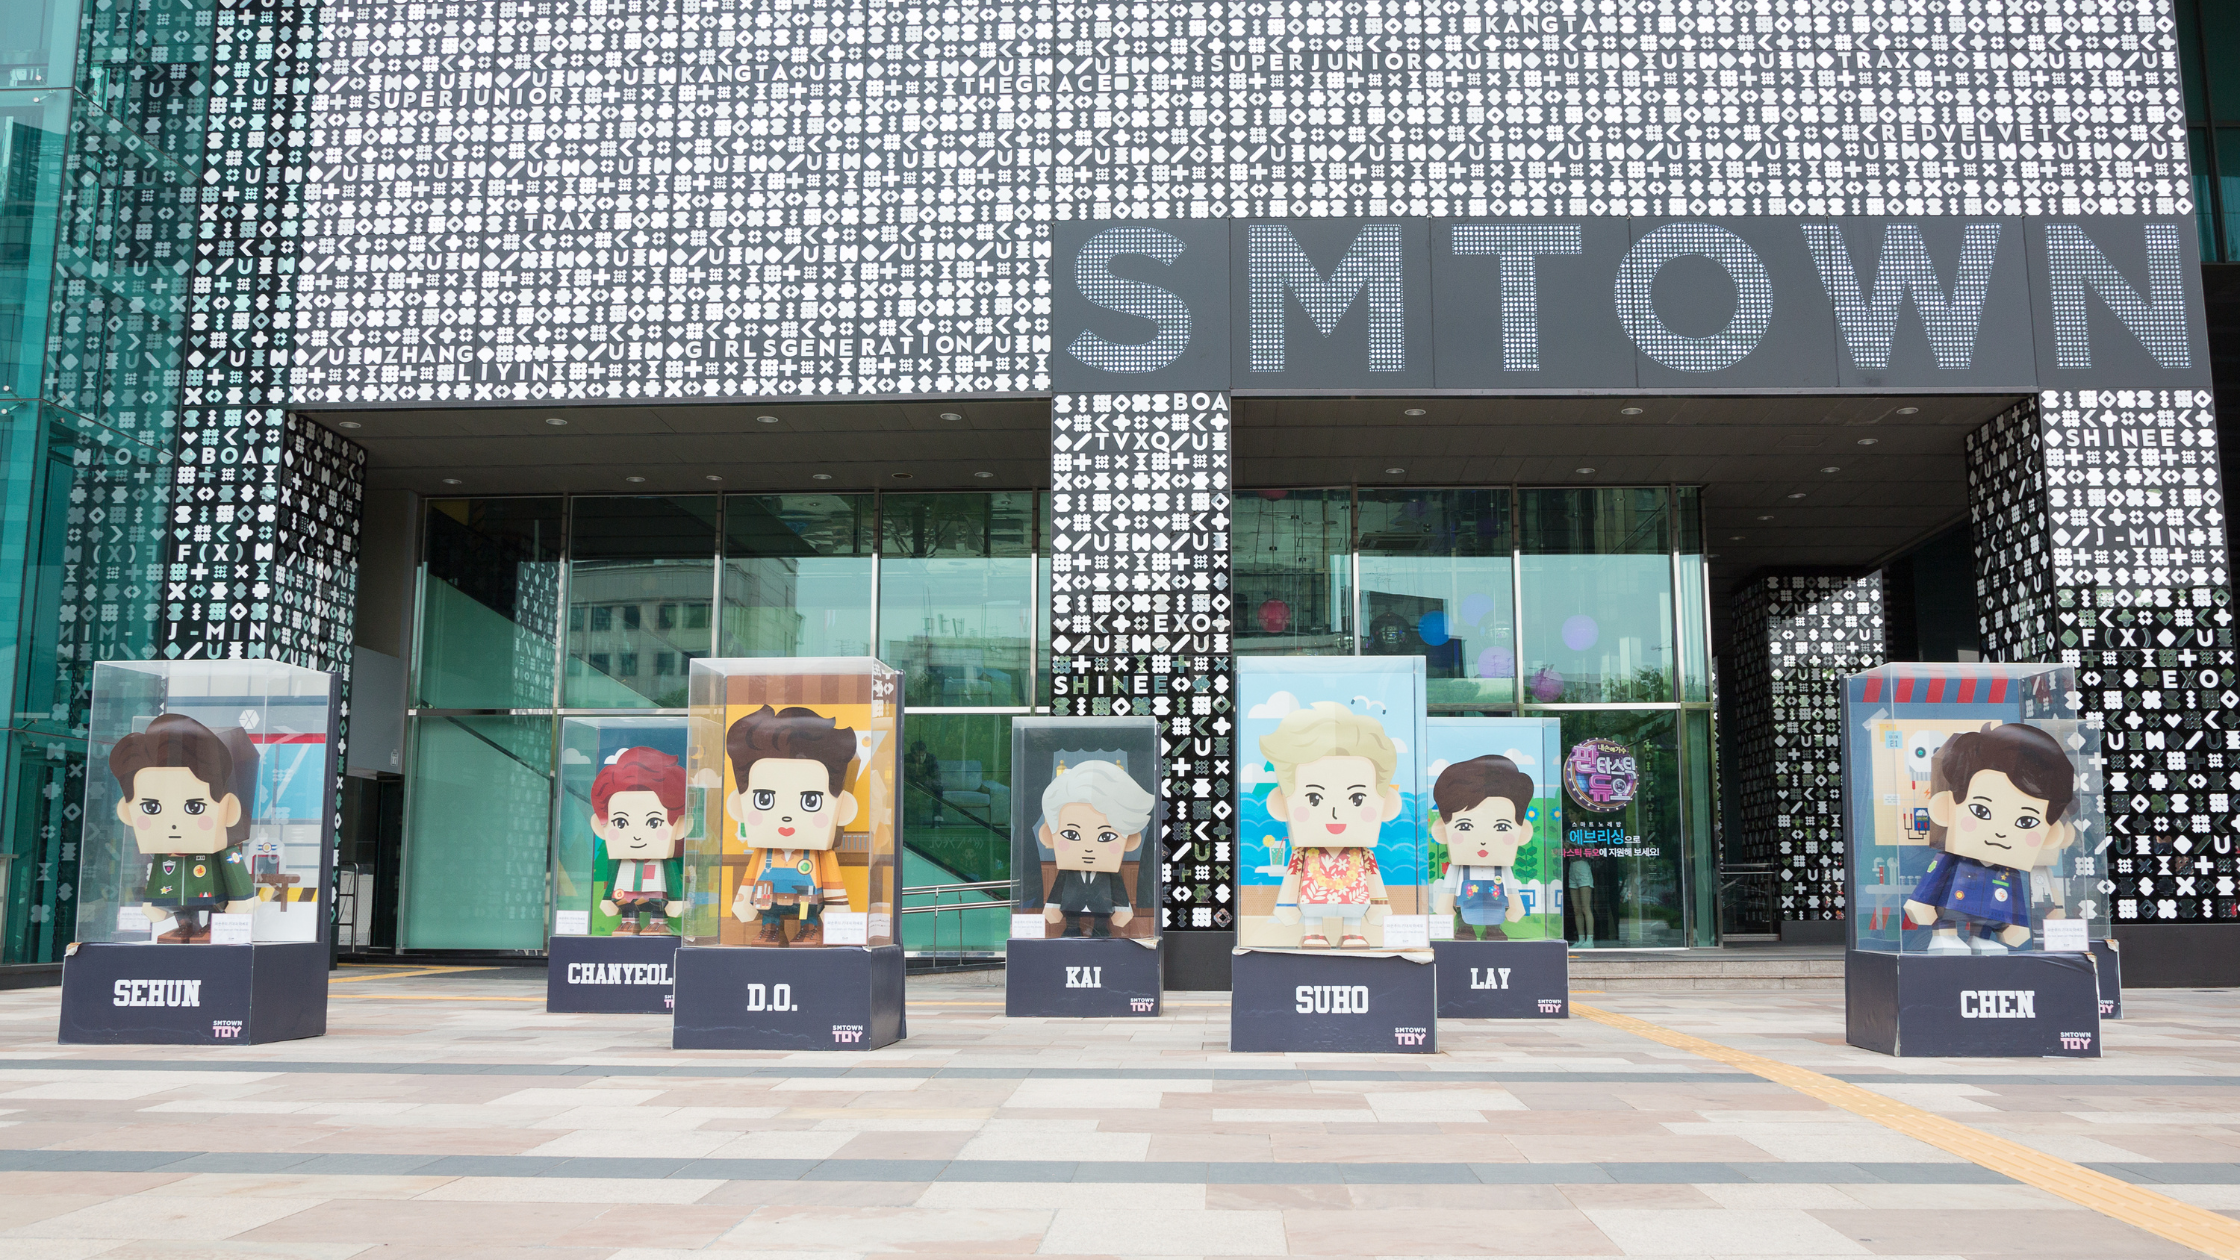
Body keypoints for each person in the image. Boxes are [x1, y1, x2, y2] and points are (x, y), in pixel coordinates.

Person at [1903, 723, 2079, 954]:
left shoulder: (2007, 871)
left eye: (2026, 822)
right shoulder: (1953, 860)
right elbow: (1933, 881)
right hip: (1949, 912)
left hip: (1989, 916)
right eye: (1981, 811)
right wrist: (1920, 903)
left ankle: (1981, 938)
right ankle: (1945, 935)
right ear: (1945, 808)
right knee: (1948, 917)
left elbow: (2015, 900)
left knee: (1987, 921)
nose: (2001, 832)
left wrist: (2016, 925)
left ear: (2050, 835)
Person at [1261, 701, 1400, 949]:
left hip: (1353, 899)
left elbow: (1373, 878)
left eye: (1357, 799)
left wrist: (1379, 906)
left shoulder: (1362, 853)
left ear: (1387, 804)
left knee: (1353, 914)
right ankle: (1313, 933)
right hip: (1313, 899)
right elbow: (1293, 878)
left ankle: (1352, 933)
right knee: (1313, 914)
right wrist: (1287, 907)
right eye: (1314, 799)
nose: (1335, 813)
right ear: (1281, 805)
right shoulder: (1305, 853)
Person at [110, 714, 258, 944]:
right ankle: (185, 926)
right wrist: (151, 902)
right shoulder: (164, 853)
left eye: (194, 807)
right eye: (151, 808)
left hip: (213, 897)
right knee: (181, 913)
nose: (173, 824)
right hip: (177, 898)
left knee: (214, 910)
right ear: (127, 812)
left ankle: (210, 925)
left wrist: (242, 898)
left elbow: (235, 870)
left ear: (229, 810)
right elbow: (157, 876)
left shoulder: (224, 851)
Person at [725, 705, 859, 947]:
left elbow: (832, 881)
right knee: (768, 910)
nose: (786, 817)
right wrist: (744, 902)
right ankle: (770, 929)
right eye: (764, 799)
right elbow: (750, 877)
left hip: (806, 894)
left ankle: (809, 928)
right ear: (738, 805)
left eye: (811, 801)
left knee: (808, 910)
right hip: (768, 894)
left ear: (843, 809)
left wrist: (837, 909)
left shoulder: (819, 853)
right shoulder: (764, 852)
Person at [1036, 760, 1155, 938]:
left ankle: (1101, 929)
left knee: (1101, 929)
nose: (1088, 849)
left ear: (1130, 841)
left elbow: (1118, 889)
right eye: (1071, 834)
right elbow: (1058, 888)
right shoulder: (1068, 870)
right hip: (1072, 907)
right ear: (1048, 835)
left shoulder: (1110, 872)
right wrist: (1052, 906)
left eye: (1106, 837)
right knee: (1071, 929)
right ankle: (1072, 928)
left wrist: (1123, 909)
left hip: (1102, 908)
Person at [1431, 755, 1536, 941]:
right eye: (1464, 826)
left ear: (1523, 833)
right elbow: (1449, 886)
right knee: (1464, 919)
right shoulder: (1459, 865)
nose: (1482, 841)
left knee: (1494, 916)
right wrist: (1445, 906)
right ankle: (1465, 928)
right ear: (1442, 831)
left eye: (1502, 827)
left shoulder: (1501, 866)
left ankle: (1493, 929)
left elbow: (1510, 886)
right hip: (1466, 901)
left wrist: (1516, 906)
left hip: (1494, 902)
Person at [591, 747, 688, 936]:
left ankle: (658, 923)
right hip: (625, 895)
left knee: (657, 906)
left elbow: (672, 881)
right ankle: (628, 922)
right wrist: (607, 898)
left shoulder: (665, 863)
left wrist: (677, 900)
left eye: (654, 822)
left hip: (656, 894)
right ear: (600, 826)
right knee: (626, 905)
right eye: (620, 823)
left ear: (680, 826)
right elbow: (612, 880)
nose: (637, 835)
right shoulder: (620, 862)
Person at [1567, 856, 1596, 948]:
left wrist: (1573, 849)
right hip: (1572, 867)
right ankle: (1581, 939)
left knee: (1585, 908)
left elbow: (1591, 853)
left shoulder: (1585, 844)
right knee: (1576, 909)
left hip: (1583, 866)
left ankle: (1590, 940)